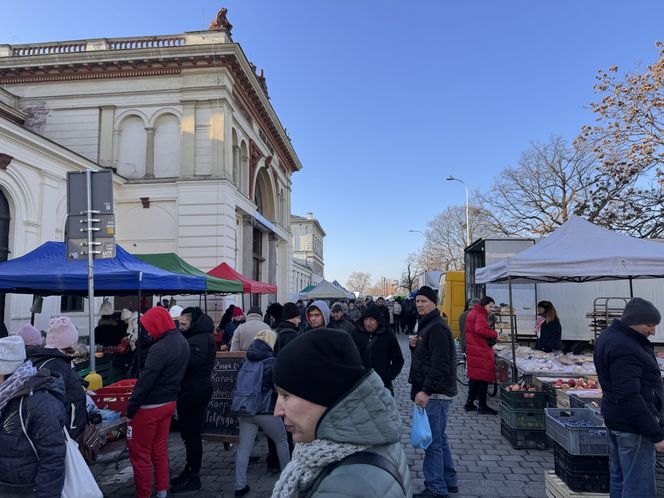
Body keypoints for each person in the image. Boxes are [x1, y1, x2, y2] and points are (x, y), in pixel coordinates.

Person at [272, 328, 412, 498]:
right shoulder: (373, 437)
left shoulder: (349, 486)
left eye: (286, 395)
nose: (277, 411)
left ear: (323, 394)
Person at [593, 297, 664, 497]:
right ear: (632, 321)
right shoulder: (625, 347)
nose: (653, 331)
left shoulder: (613, 337)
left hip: (618, 419)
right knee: (638, 485)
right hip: (633, 425)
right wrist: (655, 434)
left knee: (621, 477)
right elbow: (629, 395)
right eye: (649, 325)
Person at [127, 306, 190, 498]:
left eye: (148, 326)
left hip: (149, 406)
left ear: (156, 325)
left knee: (141, 455)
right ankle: (162, 490)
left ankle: (144, 494)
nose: (148, 331)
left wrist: (132, 405)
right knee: (159, 449)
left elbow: (146, 380)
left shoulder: (159, 348)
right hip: (169, 402)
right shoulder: (182, 341)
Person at [0, 335, 67, 497]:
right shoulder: (4, 396)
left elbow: (53, 459)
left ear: (4, 372)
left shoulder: (40, 402)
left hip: (28, 489)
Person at [408, 286, 458, 498]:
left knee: (432, 442)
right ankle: (449, 481)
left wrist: (425, 391)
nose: (420, 304)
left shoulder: (436, 327)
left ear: (434, 303)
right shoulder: (428, 325)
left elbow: (440, 364)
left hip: (436, 394)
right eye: (418, 301)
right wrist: (414, 346)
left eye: (424, 301)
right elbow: (427, 356)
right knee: (440, 438)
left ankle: (436, 488)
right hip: (435, 392)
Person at [234, 330, 290, 497]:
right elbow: (279, 388)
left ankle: (239, 486)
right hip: (267, 410)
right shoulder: (273, 361)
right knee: (281, 441)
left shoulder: (245, 360)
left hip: (245, 409)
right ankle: (287, 481)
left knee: (243, 448)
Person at [171, 307, 216, 494]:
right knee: (189, 435)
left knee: (192, 435)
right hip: (194, 389)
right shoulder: (199, 337)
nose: (180, 327)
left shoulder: (198, 339)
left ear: (193, 323)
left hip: (194, 391)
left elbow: (192, 363)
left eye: (183, 324)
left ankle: (193, 476)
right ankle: (189, 469)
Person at [26, 315, 88, 439]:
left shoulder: (42, 359)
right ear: (68, 341)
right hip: (64, 433)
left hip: (62, 430)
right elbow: (51, 407)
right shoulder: (57, 365)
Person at [351, 305, 404, 395]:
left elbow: (398, 360)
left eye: (371, 320)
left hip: (383, 384)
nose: (368, 323)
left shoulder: (388, 335)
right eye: (366, 320)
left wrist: (388, 376)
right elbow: (349, 358)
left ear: (378, 321)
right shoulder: (355, 334)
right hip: (360, 385)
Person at [464, 296, 498, 415]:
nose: (490, 309)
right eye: (490, 306)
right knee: (483, 379)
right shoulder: (480, 314)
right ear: (484, 305)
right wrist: (494, 333)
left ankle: (469, 403)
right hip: (480, 350)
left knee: (475, 378)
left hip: (474, 348)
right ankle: (482, 406)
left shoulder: (473, 312)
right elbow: (480, 330)